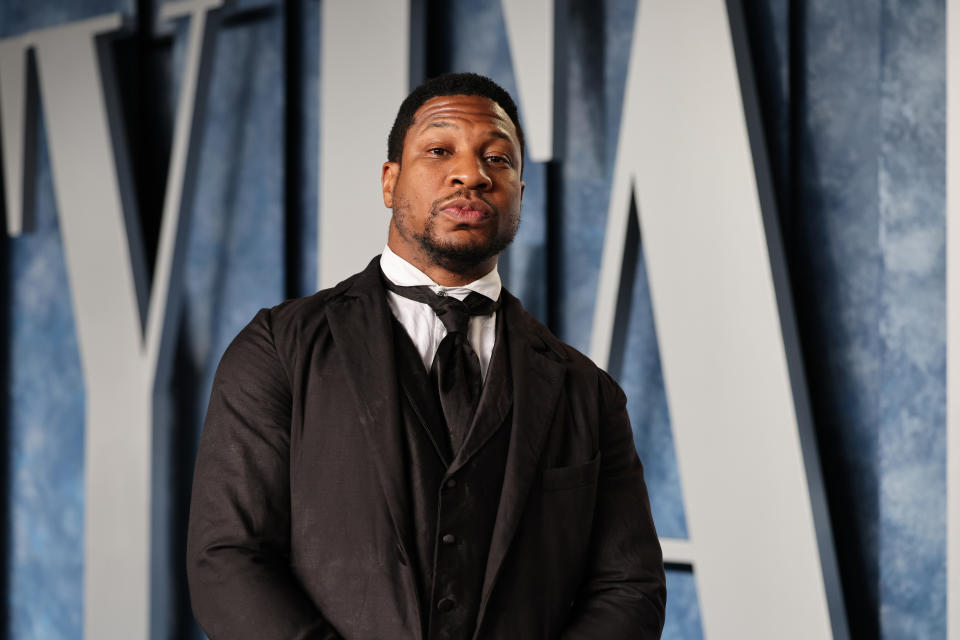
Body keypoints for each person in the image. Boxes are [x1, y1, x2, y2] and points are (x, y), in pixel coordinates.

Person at [186, 72, 666, 640]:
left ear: (520, 194)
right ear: (389, 182)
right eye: (440, 150)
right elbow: (227, 559)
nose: (472, 174)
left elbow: (629, 586)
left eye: (499, 159)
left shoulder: (586, 390)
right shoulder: (278, 349)